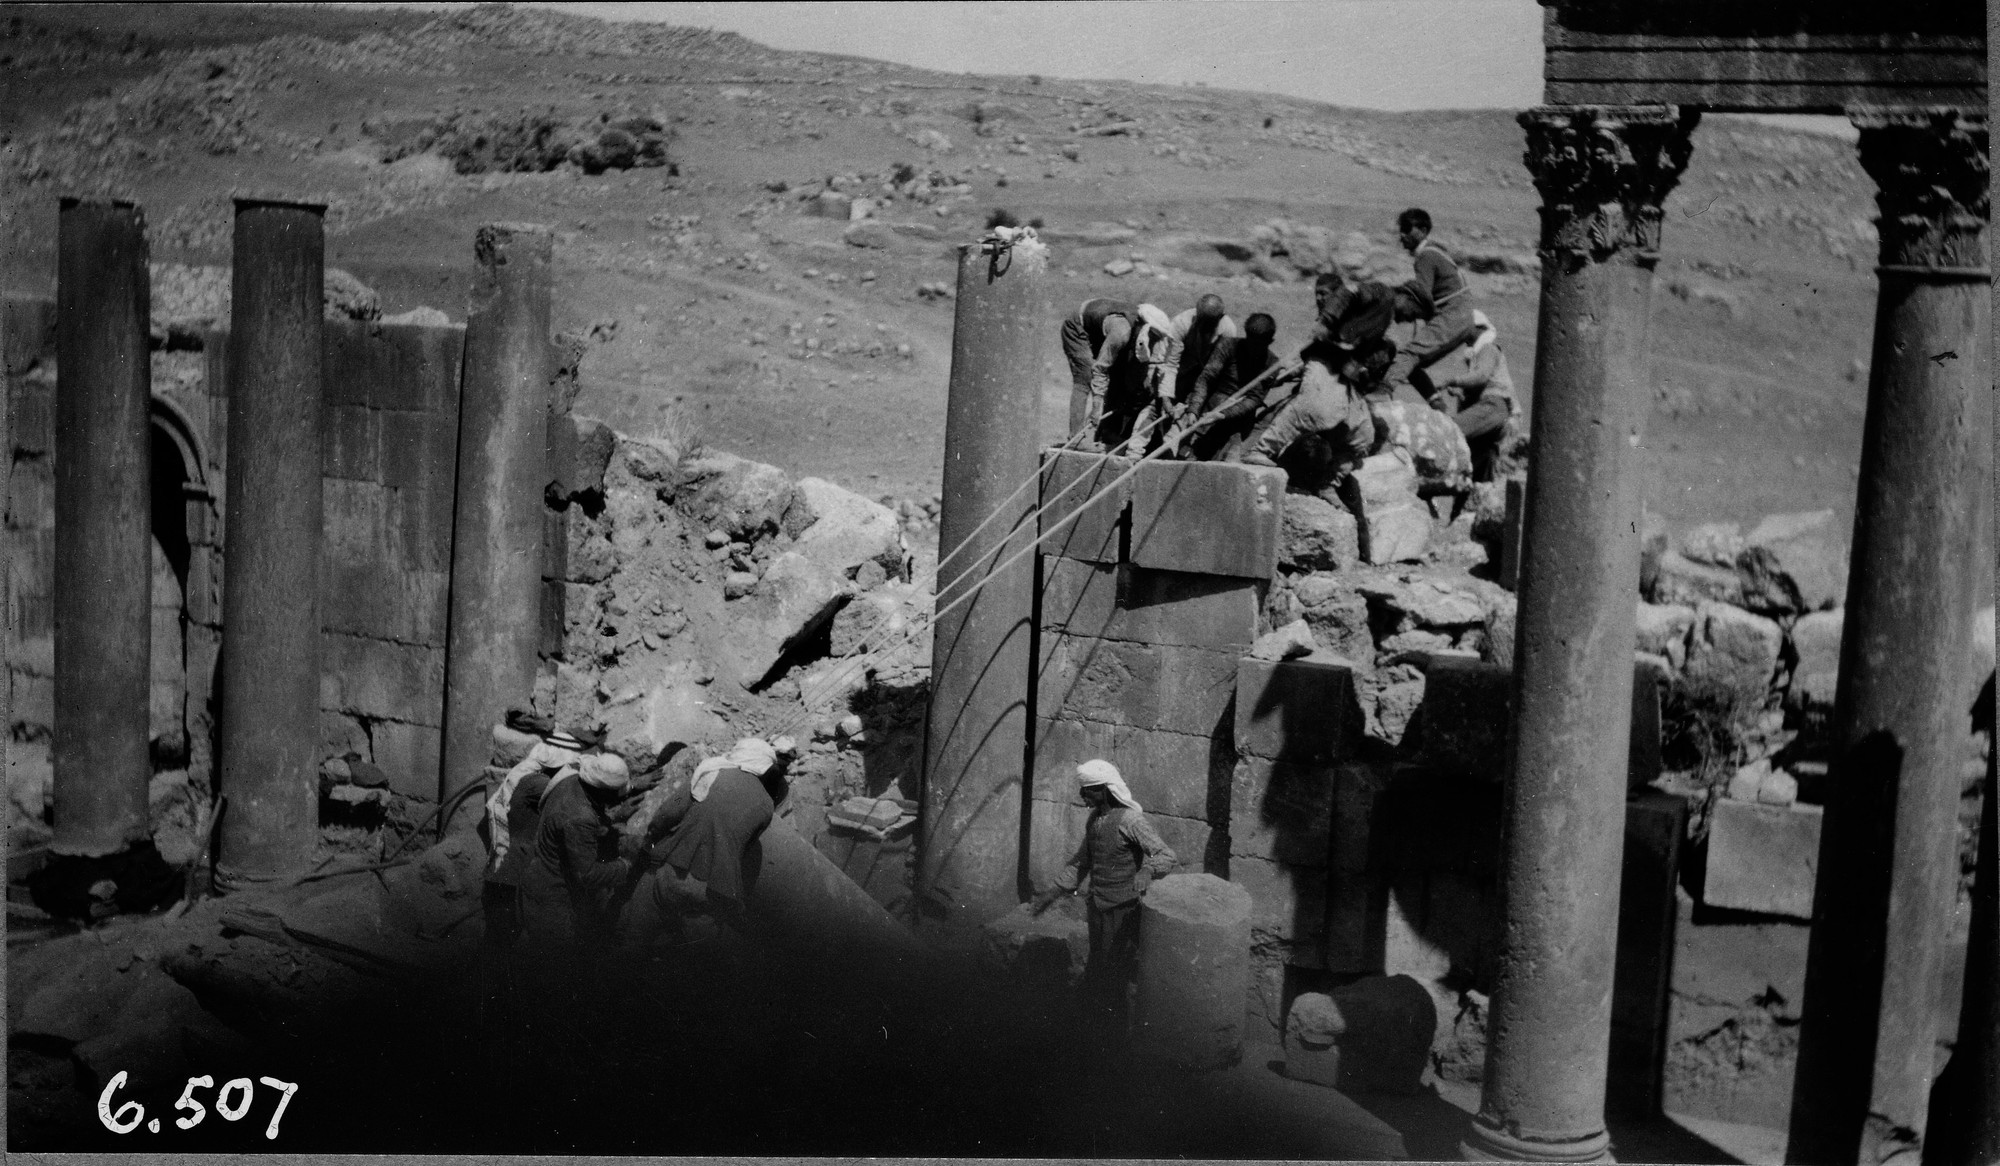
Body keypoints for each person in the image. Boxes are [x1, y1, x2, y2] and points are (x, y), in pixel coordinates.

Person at [1032, 759, 1178, 1044]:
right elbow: (1081, 864)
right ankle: (1098, 1036)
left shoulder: (1130, 821)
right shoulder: (1095, 820)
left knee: (1114, 975)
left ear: (1104, 790)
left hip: (1122, 910)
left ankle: (1115, 1041)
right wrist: (1051, 894)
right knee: (1100, 968)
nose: (1082, 796)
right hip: (1098, 908)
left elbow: (1165, 855)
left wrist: (1148, 870)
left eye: (1087, 790)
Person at [637, 737, 794, 925]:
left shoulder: (709, 773)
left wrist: (651, 836)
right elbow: (744, 848)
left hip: (674, 870)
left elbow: (671, 810)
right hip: (713, 891)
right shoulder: (767, 806)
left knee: (636, 931)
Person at [1232, 338, 1397, 481]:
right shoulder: (1349, 347)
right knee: (1274, 418)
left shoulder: (1372, 359)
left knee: (1359, 439)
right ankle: (1245, 456)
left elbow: (1368, 385)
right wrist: (1285, 375)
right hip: (1317, 395)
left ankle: (1325, 480)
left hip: (1335, 403)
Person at [483, 726, 585, 948]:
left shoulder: (531, 777)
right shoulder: (538, 784)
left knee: (501, 947)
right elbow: (571, 802)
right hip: (510, 875)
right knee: (502, 947)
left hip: (506, 873)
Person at [519, 751, 633, 946]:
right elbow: (587, 875)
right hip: (551, 899)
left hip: (536, 879)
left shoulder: (570, 778)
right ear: (602, 791)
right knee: (556, 963)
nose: (620, 799)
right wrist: (626, 865)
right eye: (617, 795)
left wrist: (607, 821)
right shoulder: (580, 817)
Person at [1059, 298, 1180, 451]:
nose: (1153, 343)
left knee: (1120, 377)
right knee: (1085, 378)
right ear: (1143, 326)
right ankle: (1075, 439)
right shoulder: (1121, 332)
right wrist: (1097, 404)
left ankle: (1108, 432)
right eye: (1153, 337)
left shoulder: (1137, 333)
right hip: (1078, 328)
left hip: (1102, 333)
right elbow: (1101, 368)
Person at [1385, 207, 1477, 394]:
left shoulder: (1425, 256)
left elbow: (1423, 294)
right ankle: (1438, 407)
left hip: (1452, 314)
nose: (1401, 235)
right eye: (1401, 230)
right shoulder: (1436, 251)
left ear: (1423, 231)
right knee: (1412, 365)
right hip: (1464, 317)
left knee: (1407, 355)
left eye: (1407, 229)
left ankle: (1381, 392)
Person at [1420, 309, 1518, 481]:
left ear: (1477, 327)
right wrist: (1461, 393)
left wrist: (1453, 380)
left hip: (1493, 408)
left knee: (1449, 428)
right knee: (1477, 461)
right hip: (1492, 410)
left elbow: (1481, 376)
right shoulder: (1479, 353)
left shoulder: (1488, 349)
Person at [1176, 311, 1279, 461]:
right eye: (1251, 342)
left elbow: (1253, 399)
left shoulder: (1272, 365)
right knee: (1188, 458)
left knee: (1225, 467)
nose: (1253, 349)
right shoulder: (1228, 346)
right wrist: (1194, 409)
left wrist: (1223, 414)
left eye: (1259, 345)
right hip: (1208, 413)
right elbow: (1206, 378)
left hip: (1238, 423)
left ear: (1270, 341)